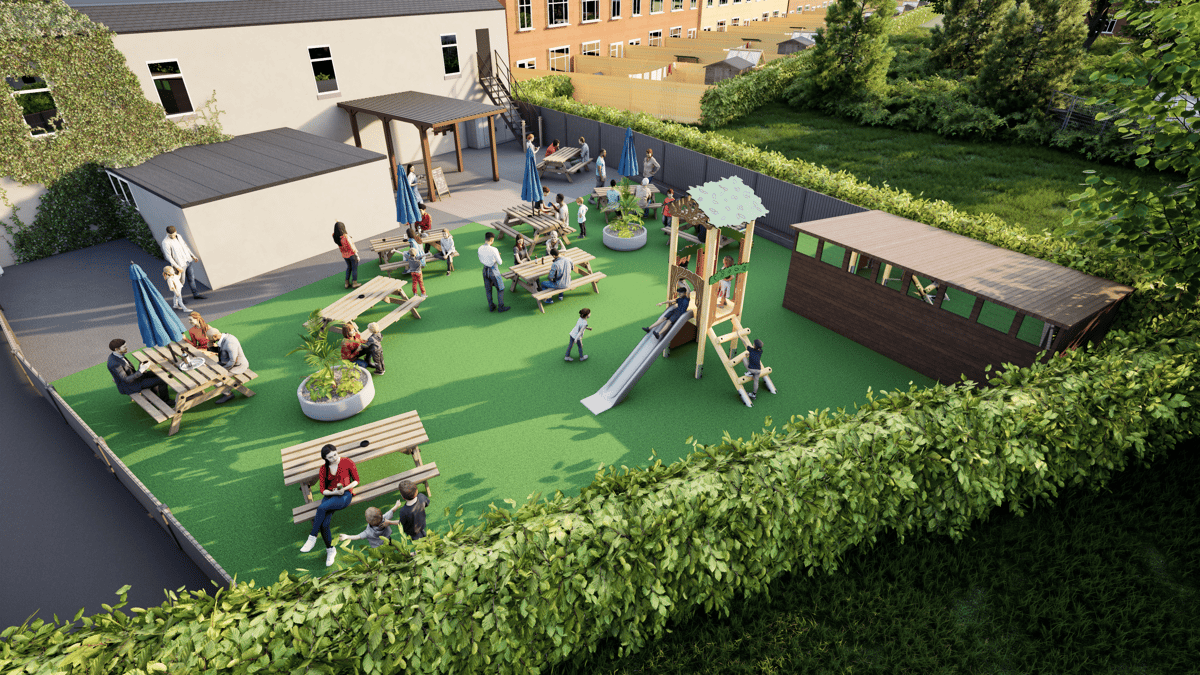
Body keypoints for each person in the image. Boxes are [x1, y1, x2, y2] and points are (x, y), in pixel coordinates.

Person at [300, 444, 360, 567]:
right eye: (330, 457)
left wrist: (345, 489)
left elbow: (356, 480)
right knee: (325, 524)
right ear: (325, 459)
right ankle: (330, 550)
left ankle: (312, 537)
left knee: (321, 508)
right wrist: (334, 492)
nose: (334, 458)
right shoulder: (323, 469)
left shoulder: (347, 462)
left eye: (335, 454)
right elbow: (323, 490)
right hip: (330, 495)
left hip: (345, 495)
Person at [160, 226, 205, 300]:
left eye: (174, 234)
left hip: (187, 261)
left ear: (176, 231)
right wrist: (177, 267)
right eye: (171, 235)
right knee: (180, 283)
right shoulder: (165, 242)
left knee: (191, 279)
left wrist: (193, 256)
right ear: (167, 233)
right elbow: (169, 257)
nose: (173, 236)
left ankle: (196, 294)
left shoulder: (179, 236)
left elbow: (185, 247)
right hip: (180, 265)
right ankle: (179, 298)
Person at [206, 326, 249, 402]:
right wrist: (210, 346)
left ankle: (228, 394)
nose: (209, 339)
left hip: (238, 366)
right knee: (208, 370)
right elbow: (221, 351)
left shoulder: (230, 343)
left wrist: (222, 371)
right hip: (225, 362)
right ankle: (224, 388)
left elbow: (233, 361)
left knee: (215, 379)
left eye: (210, 338)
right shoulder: (222, 338)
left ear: (214, 336)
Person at [479, 232, 510, 312]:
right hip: (493, 271)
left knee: (488, 289)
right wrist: (497, 256)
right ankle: (501, 307)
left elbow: (481, 259)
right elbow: (500, 262)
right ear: (492, 240)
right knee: (500, 288)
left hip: (485, 270)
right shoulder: (494, 249)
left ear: (485, 238)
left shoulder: (480, 248)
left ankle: (491, 306)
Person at [333, 221, 360, 289]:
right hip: (352, 255)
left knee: (349, 268)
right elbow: (352, 246)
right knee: (354, 269)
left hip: (345, 255)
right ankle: (354, 283)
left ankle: (346, 283)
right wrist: (357, 255)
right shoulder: (346, 237)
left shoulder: (335, 236)